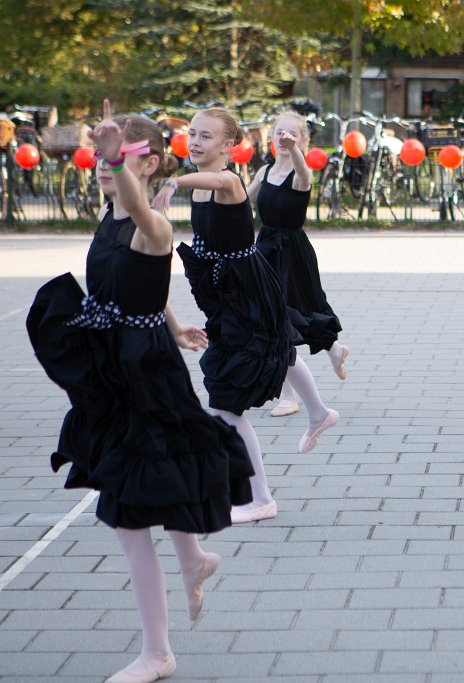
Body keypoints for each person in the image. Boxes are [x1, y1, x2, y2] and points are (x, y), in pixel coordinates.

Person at [26, 100, 254, 683]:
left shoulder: (155, 222)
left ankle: (158, 652)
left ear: (148, 164)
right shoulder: (112, 217)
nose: (105, 167)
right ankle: (195, 559)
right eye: (103, 158)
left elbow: (142, 229)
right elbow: (141, 284)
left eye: (122, 158)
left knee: (130, 512)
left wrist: (116, 160)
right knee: (155, 481)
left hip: (144, 374)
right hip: (117, 365)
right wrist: (177, 326)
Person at [153, 107, 338, 525]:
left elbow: (217, 181)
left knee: (226, 399)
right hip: (227, 293)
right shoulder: (202, 184)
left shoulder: (229, 180)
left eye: (206, 137)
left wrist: (174, 181)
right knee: (278, 346)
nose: (196, 142)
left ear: (228, 146)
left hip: (246, 292)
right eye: (193, 135)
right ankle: (317, 413)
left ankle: (260, 497)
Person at [247, 111, 350, 418]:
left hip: (292, 250)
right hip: (265, 249)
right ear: (270, 136)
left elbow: (304, 175)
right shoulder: (264, 172)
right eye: (279, 132)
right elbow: (241, 202)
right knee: (273, 318)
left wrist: (293, 151)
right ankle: (328, 355)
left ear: (304, 140)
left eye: (292, 134)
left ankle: (295, 389)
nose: (284, 137)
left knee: (295, 313)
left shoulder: (300, 174)